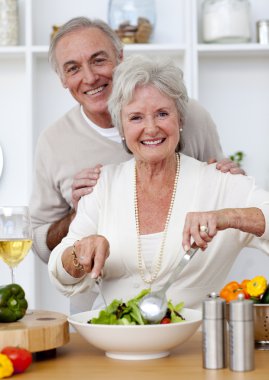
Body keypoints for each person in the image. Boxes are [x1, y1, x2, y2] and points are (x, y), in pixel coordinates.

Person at [48, 55, 269, 313]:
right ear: (121, 127)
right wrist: (79, 254)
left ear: (180, 120)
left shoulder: (219, 183)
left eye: (162, 113)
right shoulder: (103, 185)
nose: (151, 129)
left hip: (197, 343)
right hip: (116, 341)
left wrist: (227, 216)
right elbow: (60, 273)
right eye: (136, 118)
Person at [30, 17, 243, 268]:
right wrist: (78, 214)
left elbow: (223, 203)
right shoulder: (53, 142)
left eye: (99, 60)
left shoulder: (187, 116)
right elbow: (41, 246)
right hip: (99, 301)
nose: (89, 77)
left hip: (185, 287)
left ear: (120, 58)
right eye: (73, 68)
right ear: (62, 79)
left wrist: (232, 183)